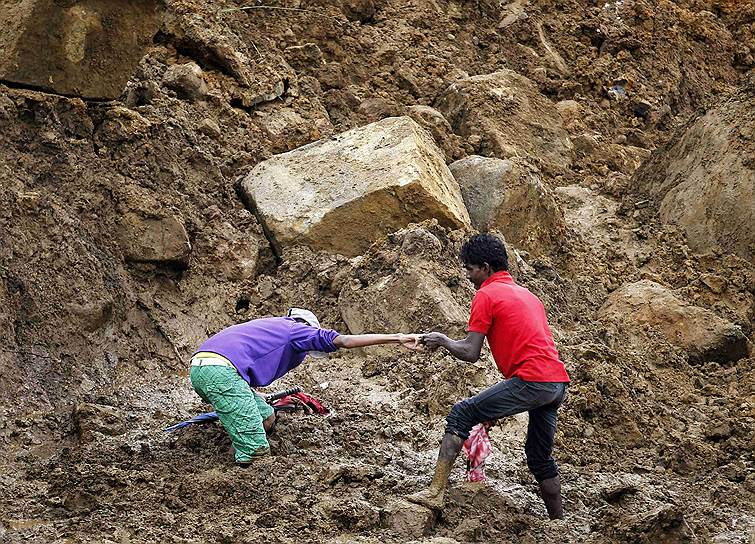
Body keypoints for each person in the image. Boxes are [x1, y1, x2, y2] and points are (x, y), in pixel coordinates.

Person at [407, 234, 570, 519]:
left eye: (470, 269)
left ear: (484, 267)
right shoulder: (529, 296)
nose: (468, 277)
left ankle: (434, 492)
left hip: (530, 381)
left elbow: (471, 352)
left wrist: (443, 340)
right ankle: (559, 521)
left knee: (461, 413)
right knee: (539, 458)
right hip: (555, 383)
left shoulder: (486, 295)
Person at [190, 308, 421, 465]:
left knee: (266, 416)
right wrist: (397, 338)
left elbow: (241, 358)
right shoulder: (296, 330)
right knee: (257, 452)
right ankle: (241, 472)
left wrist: (253, 394)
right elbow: (345, 341)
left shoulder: (269, 327)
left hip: (204, 368)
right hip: (221, 374)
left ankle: (237, 446)